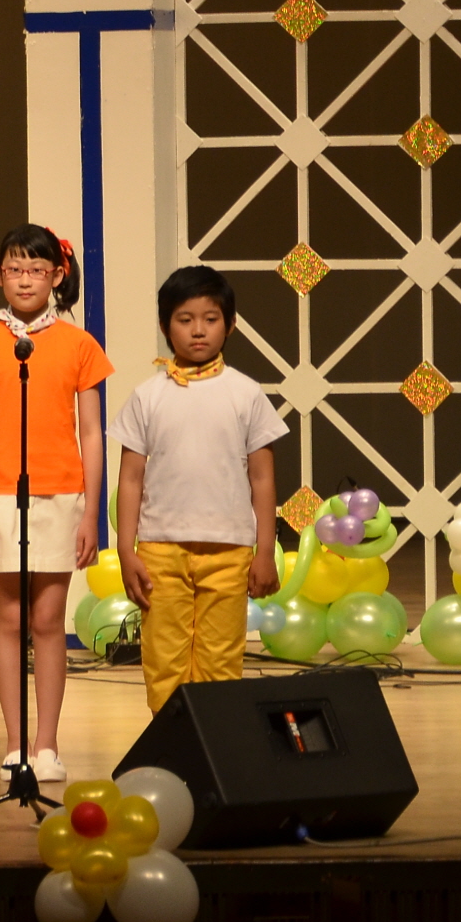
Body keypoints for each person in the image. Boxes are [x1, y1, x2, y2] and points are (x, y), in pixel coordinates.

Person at [0, 224, 114, 782]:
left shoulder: (78, 344)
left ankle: (47, 745)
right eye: (15, 269)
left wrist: (91, 512)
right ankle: (15, 743)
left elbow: (91, 433)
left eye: (36, 270)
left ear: (57, 276)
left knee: (47, 619)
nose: (25, 280)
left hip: (62, 493)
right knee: (10, 618)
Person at [112, 265, 286, 712]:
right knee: (163, 660)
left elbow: (263, 478)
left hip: (229, 550)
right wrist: (126, 549)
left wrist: (265, 551)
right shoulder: (147, 395)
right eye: (184, 319)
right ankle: (172, 744)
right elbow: (130, 478)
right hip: (160, 549)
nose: (198, 331)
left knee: (220, 660)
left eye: (210, 319)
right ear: (164, 326)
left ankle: (215, 744)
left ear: (231, 325)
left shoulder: (246, 393)